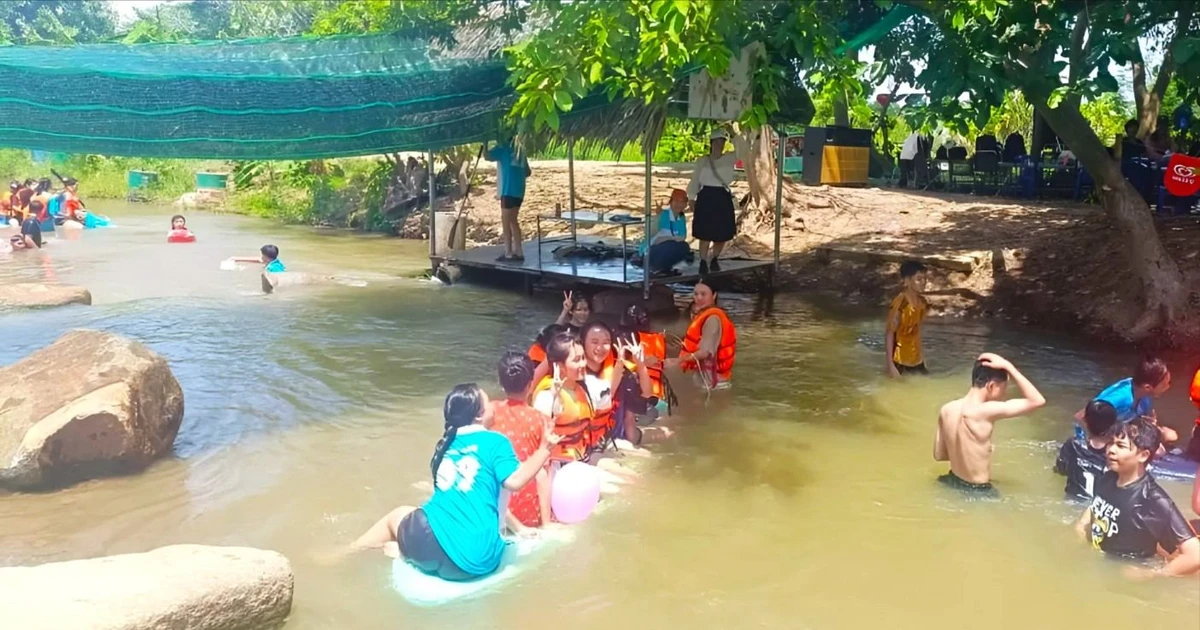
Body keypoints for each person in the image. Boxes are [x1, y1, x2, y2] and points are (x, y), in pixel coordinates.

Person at [350, 384, 559, 580]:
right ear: (479, 415)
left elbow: (478, 498)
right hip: (473, 561)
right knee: (416, 518)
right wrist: (545, 448)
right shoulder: (496, 441)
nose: (494, 406)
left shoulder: (446, 443)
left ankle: (348, 552)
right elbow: (514, 481)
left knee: (397, 515)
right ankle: (400, 551)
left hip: (423, 542)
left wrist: (520, 528)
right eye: (489, 403)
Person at [1075, 417, 1200, 578]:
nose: (1111, 450)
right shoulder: (1109, 477)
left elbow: (1194, 555)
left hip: (1121, 577)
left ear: (1143, 455)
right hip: (1097, 565)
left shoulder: (1152, 500)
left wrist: (1150, 574)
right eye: (1111, 443)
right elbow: (1096, 504)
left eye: (1120, 445)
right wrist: (1082, 523)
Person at [934, 353, 1046, 495]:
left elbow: (939, 455)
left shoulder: (947, 409)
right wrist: (1008, 366)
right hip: (977, 492)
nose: (1004, 395)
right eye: (1003, 389)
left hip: (951, 482)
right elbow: (1037, 401)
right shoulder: (985, 411)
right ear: (991, 386)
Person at [490, 352, 553, 530]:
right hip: (527, 514)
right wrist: (546, 524)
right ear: (531, 383)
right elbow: (542, 475)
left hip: (493, 509)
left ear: (501, 383)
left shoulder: (489, 413)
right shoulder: (543, 421)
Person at [579, 321, 651, 454]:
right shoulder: (576, 374)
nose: (600, 347)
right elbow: (598, 406)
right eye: (594, 342)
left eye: (606, 342)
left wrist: (641, 366)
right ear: (582, 343)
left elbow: (646, 394)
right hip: (588, 445)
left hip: (613, 438)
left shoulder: (620, 370)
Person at [1073, 356, 1177, 445]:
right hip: (1095, 438)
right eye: (1165, 384)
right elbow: (1080, 417)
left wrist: (1149, 424)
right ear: (1147, 387)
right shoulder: (1121, 398)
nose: (1168, 387)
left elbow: (1135, 423)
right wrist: (1089, 445)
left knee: (1170, 435)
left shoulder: (1145, 397)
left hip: (1116, 431)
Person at [532, 332, 595, 463]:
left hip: (579, 458)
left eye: (583, 357)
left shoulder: (581, 389)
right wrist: (554, 398)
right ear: (559, 366)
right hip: (555, 464)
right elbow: (538, 441)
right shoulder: (546, 396)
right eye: (577, 360)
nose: (583, 364)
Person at [686, 129, 739, 274]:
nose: (720, 144)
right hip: (706, 196)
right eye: (717, 141)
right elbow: (695, 179)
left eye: (722, 141)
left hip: (722, 196)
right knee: (705, 232)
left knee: (722, 233)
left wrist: (734, 135)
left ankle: (715, 258)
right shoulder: (702, 160)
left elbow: (742, 150)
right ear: (711, 143)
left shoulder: (729, 158)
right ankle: (703, 260)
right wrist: (691, 197)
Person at [666, 280, 736, 389]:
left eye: (703, 294)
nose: (698, 298)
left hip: (711, 384)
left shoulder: (712, 319)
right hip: (707, 380)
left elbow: (705, 353)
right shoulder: (703, 316)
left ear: (714, 295)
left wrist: (678, 361)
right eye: (696, 294)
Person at [1055, 400, 1119, 501]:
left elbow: (1061, 470)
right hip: (1101, 506)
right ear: (1114, 423)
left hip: (1072, 502)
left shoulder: (1074, 444)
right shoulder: (1116, 452)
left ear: (1085, 420)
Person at [485, 138, 531, 262]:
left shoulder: (503, 149)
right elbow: (528, 172)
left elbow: (487, 156)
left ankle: (508, 253)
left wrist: (484, 142)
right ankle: (519, 251)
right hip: (519, 190)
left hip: (508, 190)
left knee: (506, 222)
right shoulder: (521, 151)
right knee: (513, 220)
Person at [885, 261, 929, 377]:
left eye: (925, 279)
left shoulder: (922, 303)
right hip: (900, 361)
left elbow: (917, 330)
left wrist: (922, 357)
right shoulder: (900, 303)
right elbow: (890, 333)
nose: (923, 282)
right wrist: (890, 365)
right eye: (919, 279)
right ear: (907, 281)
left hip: (917, 360)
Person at [641, 189, 690, 275]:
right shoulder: (663, 214)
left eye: (682, 202)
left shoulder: (681, 218)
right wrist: (658, 217)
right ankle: (657, 268)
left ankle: (667, 267)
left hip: (669, 246)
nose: (679, 205)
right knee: (670, 246)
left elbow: (682, 237)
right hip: (652, 249)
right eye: (677, 201)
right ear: (671, 202)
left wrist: (669, 238)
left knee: (684, 247)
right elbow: (651, 235)